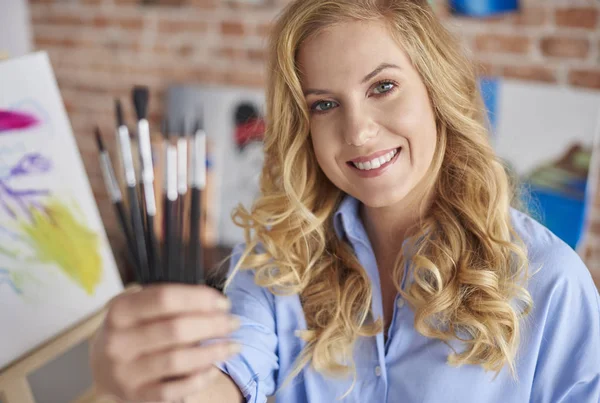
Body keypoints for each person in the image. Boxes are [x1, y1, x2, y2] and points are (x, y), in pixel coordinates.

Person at [90, 0, 600, 402]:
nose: (357, 131)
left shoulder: (549, 281)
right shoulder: (280, 258)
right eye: (325, 104)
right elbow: (227, 378)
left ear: (437, 93)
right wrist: (158, 381)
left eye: (383, 86)